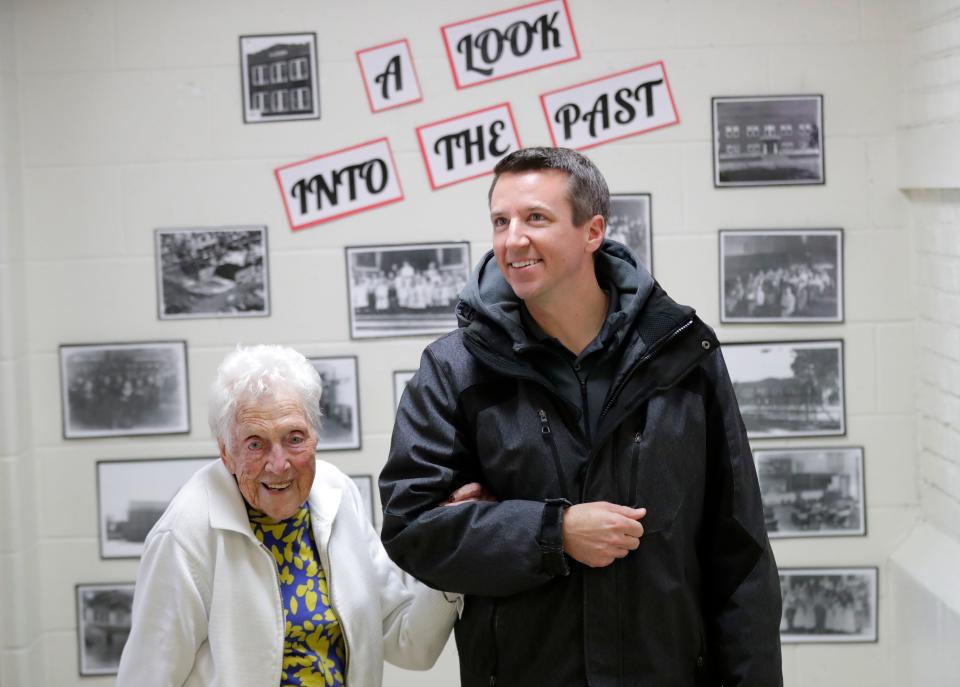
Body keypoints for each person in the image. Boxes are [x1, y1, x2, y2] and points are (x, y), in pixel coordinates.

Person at [380, 147, 783, 686]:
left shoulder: (683, 357)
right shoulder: (454, 368)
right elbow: (410, 525)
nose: (512, 239)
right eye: (501, 221)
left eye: (536, 219)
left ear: (593, 231)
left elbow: (740, 554)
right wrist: (553, 532)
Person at [117, 345, 458, 687]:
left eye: (294, 438)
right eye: (255, 444)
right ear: (226, 452)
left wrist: (455, 546)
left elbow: (406, 641)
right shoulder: (185, 534)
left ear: (315, 436)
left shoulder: (337, 494)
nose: (279, 464)